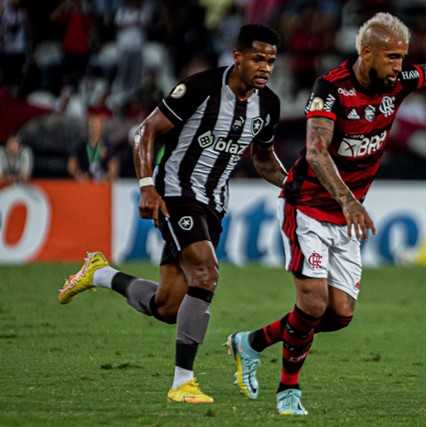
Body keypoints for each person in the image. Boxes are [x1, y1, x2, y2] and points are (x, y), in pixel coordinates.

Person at [225, 12, 426, 416]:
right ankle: (288, 392)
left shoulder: (398, 84)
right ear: (367, 53)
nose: (400, 66)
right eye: (393, 57)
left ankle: (250, 342)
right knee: (311, 305)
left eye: (403, 57)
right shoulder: (330, 89)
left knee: (340, 314)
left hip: (346, 215)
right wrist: (347, 200)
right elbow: (315, 150)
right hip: (308, 205)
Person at [57, 24, 286, 404]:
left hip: (214, 203)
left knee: (168, 307)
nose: (265, 67)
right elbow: (143, 132)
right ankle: (183, 382)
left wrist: (294, 184)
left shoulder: (269, 105)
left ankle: (100, 273)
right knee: (206, 273)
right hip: (176, 192)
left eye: (272, 61)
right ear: (238, 56)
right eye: (258, 58)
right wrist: (147, 186)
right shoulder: (198, 88)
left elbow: (262, 158)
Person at [67, 112, 119, 181]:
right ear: (88, 128)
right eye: (92, 126)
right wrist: (78, 174)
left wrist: (108, 176)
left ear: (101, 128)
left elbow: (113, 166)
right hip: (84, 182)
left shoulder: (108, 146)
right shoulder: (81, 145)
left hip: (102, 182)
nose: (95, 129)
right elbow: (71, 165)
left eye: (97, 126)